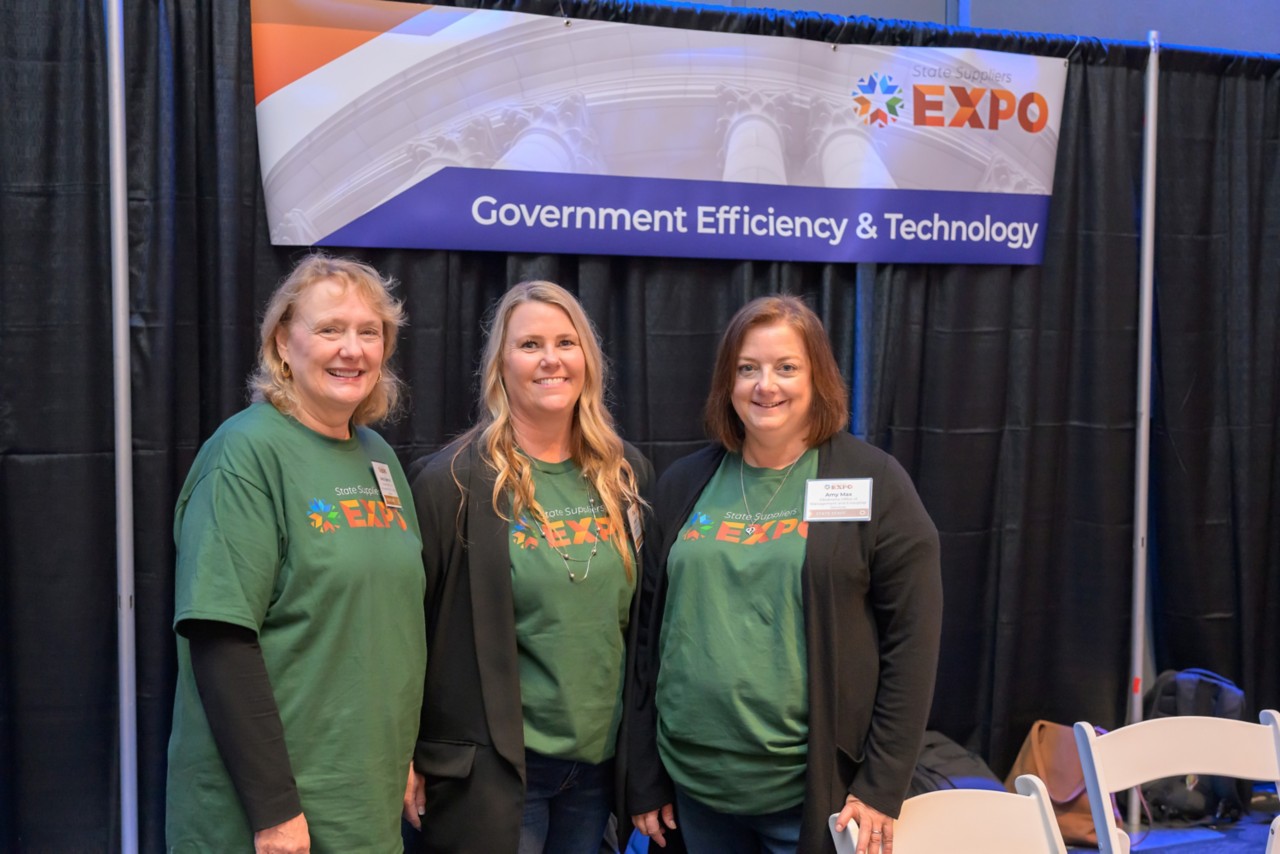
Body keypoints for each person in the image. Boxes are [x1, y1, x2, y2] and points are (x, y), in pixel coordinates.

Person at [628, 295, 943, 854]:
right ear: (728, 382)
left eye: (786, 367)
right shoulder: (682, 484)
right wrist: (644, 775)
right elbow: (644, 642)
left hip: (812, 797)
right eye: (748, 368)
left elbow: (912, 645)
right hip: (693, 793)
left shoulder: (873, 483)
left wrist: (880, 785)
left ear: (818, 377)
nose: (765, 385)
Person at [165, 254, 426, 853]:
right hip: (272, 819)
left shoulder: (379, 457)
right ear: (283, 341)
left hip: (362, 799)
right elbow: (220, 638)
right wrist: (276, 812)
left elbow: (386, 627)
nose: (352, 349)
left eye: (369, 332)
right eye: (330, 329)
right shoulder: (244, 454)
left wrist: (401, 755)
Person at [404, 281, 653, 854]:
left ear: (588, 361)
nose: (550, 359)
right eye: (530, 344)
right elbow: (411, 636)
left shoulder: (627, 476)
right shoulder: (454, 484)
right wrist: (405, 756)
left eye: (566, 342)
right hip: (497, 775)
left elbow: (643, 633)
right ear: (500, 365)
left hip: (596, 775)